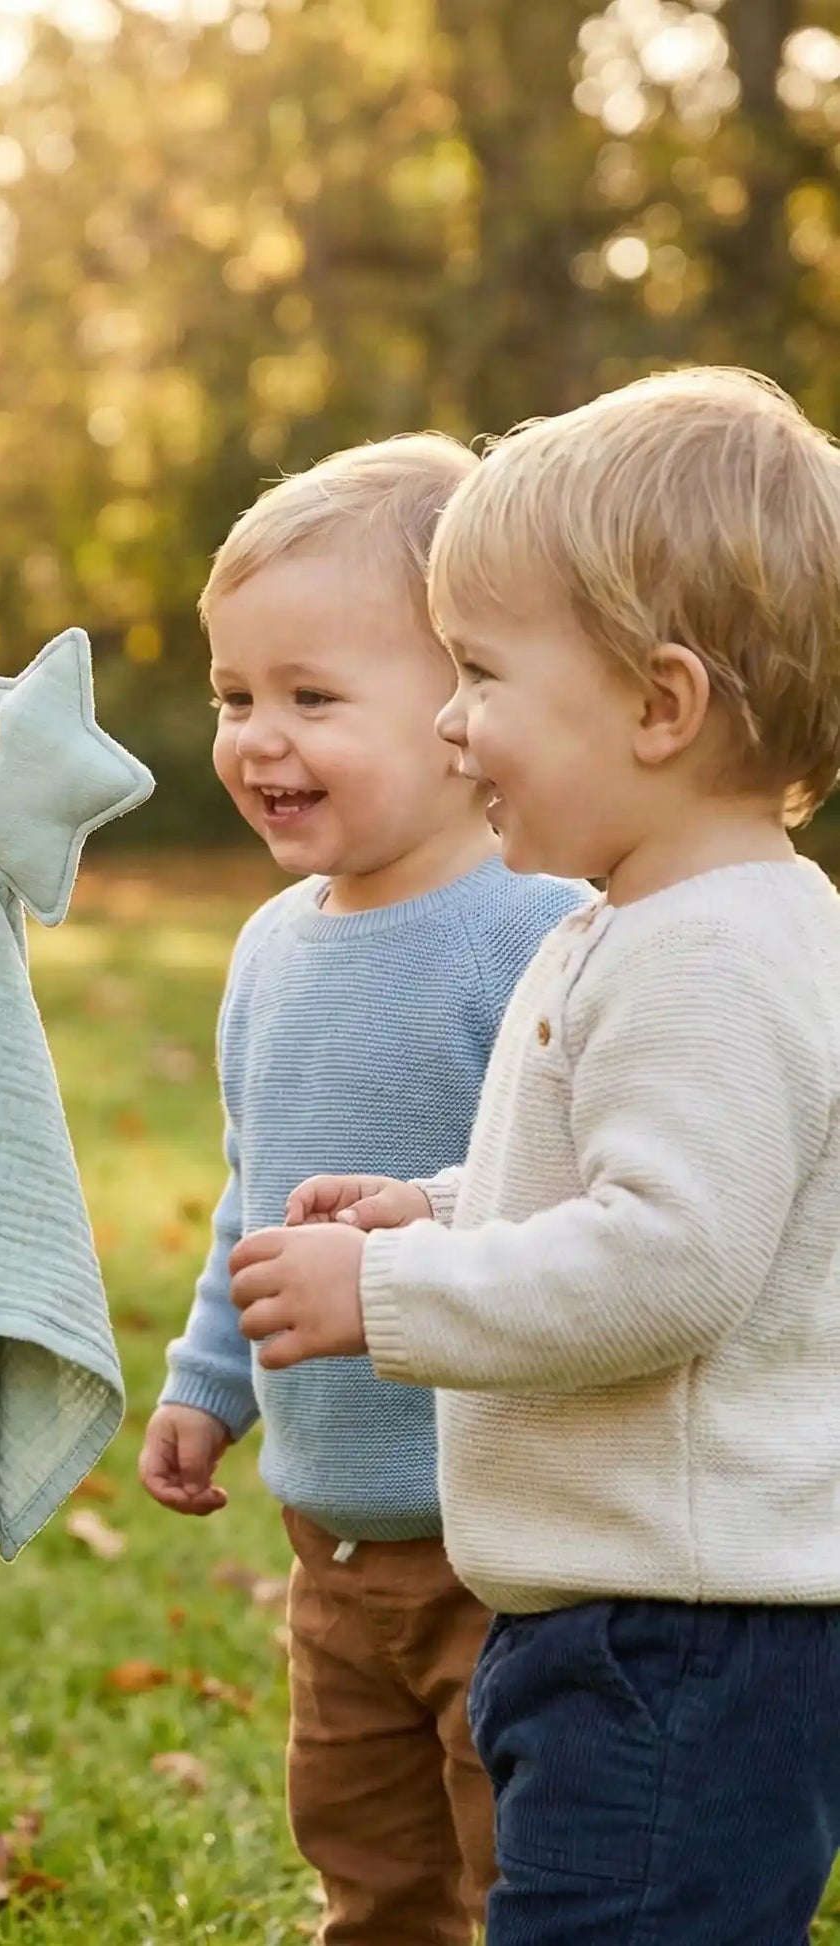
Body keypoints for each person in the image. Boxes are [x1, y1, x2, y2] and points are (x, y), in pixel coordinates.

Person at [231, 367, 840, 1944]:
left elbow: (667, 1261)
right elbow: (603, 1187)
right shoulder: (636, 923)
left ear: (657, 705)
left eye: (483, 673)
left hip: (682, 1631)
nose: (450, 719)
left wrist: (389, 1291)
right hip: (619, 1605)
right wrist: (432, 1207)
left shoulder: (715, 954)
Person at [137, 435, 589, 1943]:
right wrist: (209, 1379)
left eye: (311, 699)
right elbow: (252, 1194)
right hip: (329, 1537)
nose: (257, 739)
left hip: (508, 1537)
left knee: (515, 1862)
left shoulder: (542, 930)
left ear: (463, 712)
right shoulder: (272, 948)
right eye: (234, 697)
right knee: (367, 1857)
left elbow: (577, 1203)